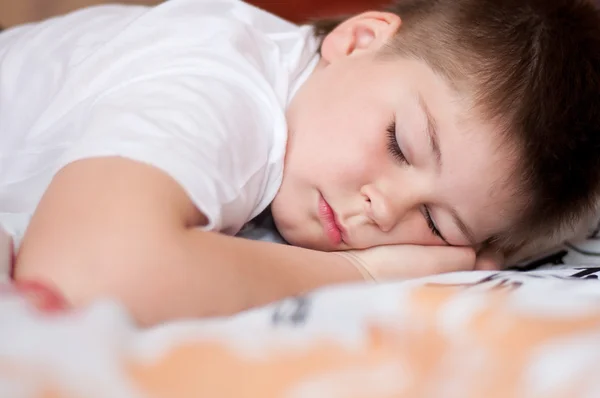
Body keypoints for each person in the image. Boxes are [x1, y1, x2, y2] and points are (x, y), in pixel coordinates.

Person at [0, 0, 599, 326]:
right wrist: (363, 276)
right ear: (359, 41)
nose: (383, 208)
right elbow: (84, 276)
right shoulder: (224, 88)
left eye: (438, 225)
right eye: (400, 144)